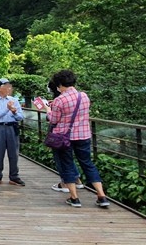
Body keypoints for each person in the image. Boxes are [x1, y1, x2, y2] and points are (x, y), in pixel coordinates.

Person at [46, 69, 110, 208]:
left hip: (65, 137)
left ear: (60, 84)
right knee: (88, 163)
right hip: (83, 135)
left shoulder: (59, 100)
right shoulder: (84, 96)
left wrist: (48, 111)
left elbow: (53, 120)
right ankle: (101, 196)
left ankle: (74, 198)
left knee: (67, 165)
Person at [0, 78, 25, 186]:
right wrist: (7, 109)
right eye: (6, 86)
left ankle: (14, 177)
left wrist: (14, 112)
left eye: (10, 86)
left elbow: (20, 117)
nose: (9, 88)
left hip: (12, 127)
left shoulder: (14, 100)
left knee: (14, 153)